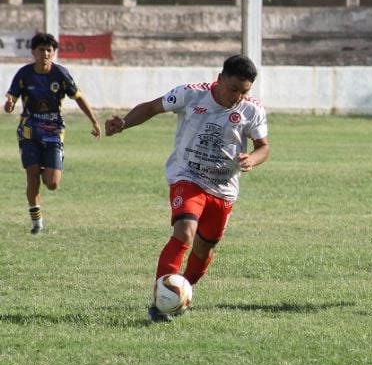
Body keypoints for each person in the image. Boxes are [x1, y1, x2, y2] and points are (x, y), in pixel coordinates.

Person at [104, 55, 270, 322]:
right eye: (233, 89)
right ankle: (161, 302)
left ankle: (181, 291)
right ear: (220, 78)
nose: (237, 96)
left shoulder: (253, 110)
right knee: (184, 233)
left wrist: (252, 158)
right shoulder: (191, 95)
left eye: (244, 91)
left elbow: (264, 147)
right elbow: (151, 108)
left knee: (205, 248)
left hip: (223, 187)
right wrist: (123, 123)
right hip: (187, 176)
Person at [3, 32, 101, 234]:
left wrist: (94, 120)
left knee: (52, 183)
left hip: (54, 131)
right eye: (41, 50)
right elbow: (11, 97)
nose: (45, 53)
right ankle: (36, 223)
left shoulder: (61, 74)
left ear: (54, 52)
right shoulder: (24, 74)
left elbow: (79, 97)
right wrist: (10, 103)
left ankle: (42, 167)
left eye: (49, 50)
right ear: (33, 52)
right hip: (29, 131)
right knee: (32, 177)